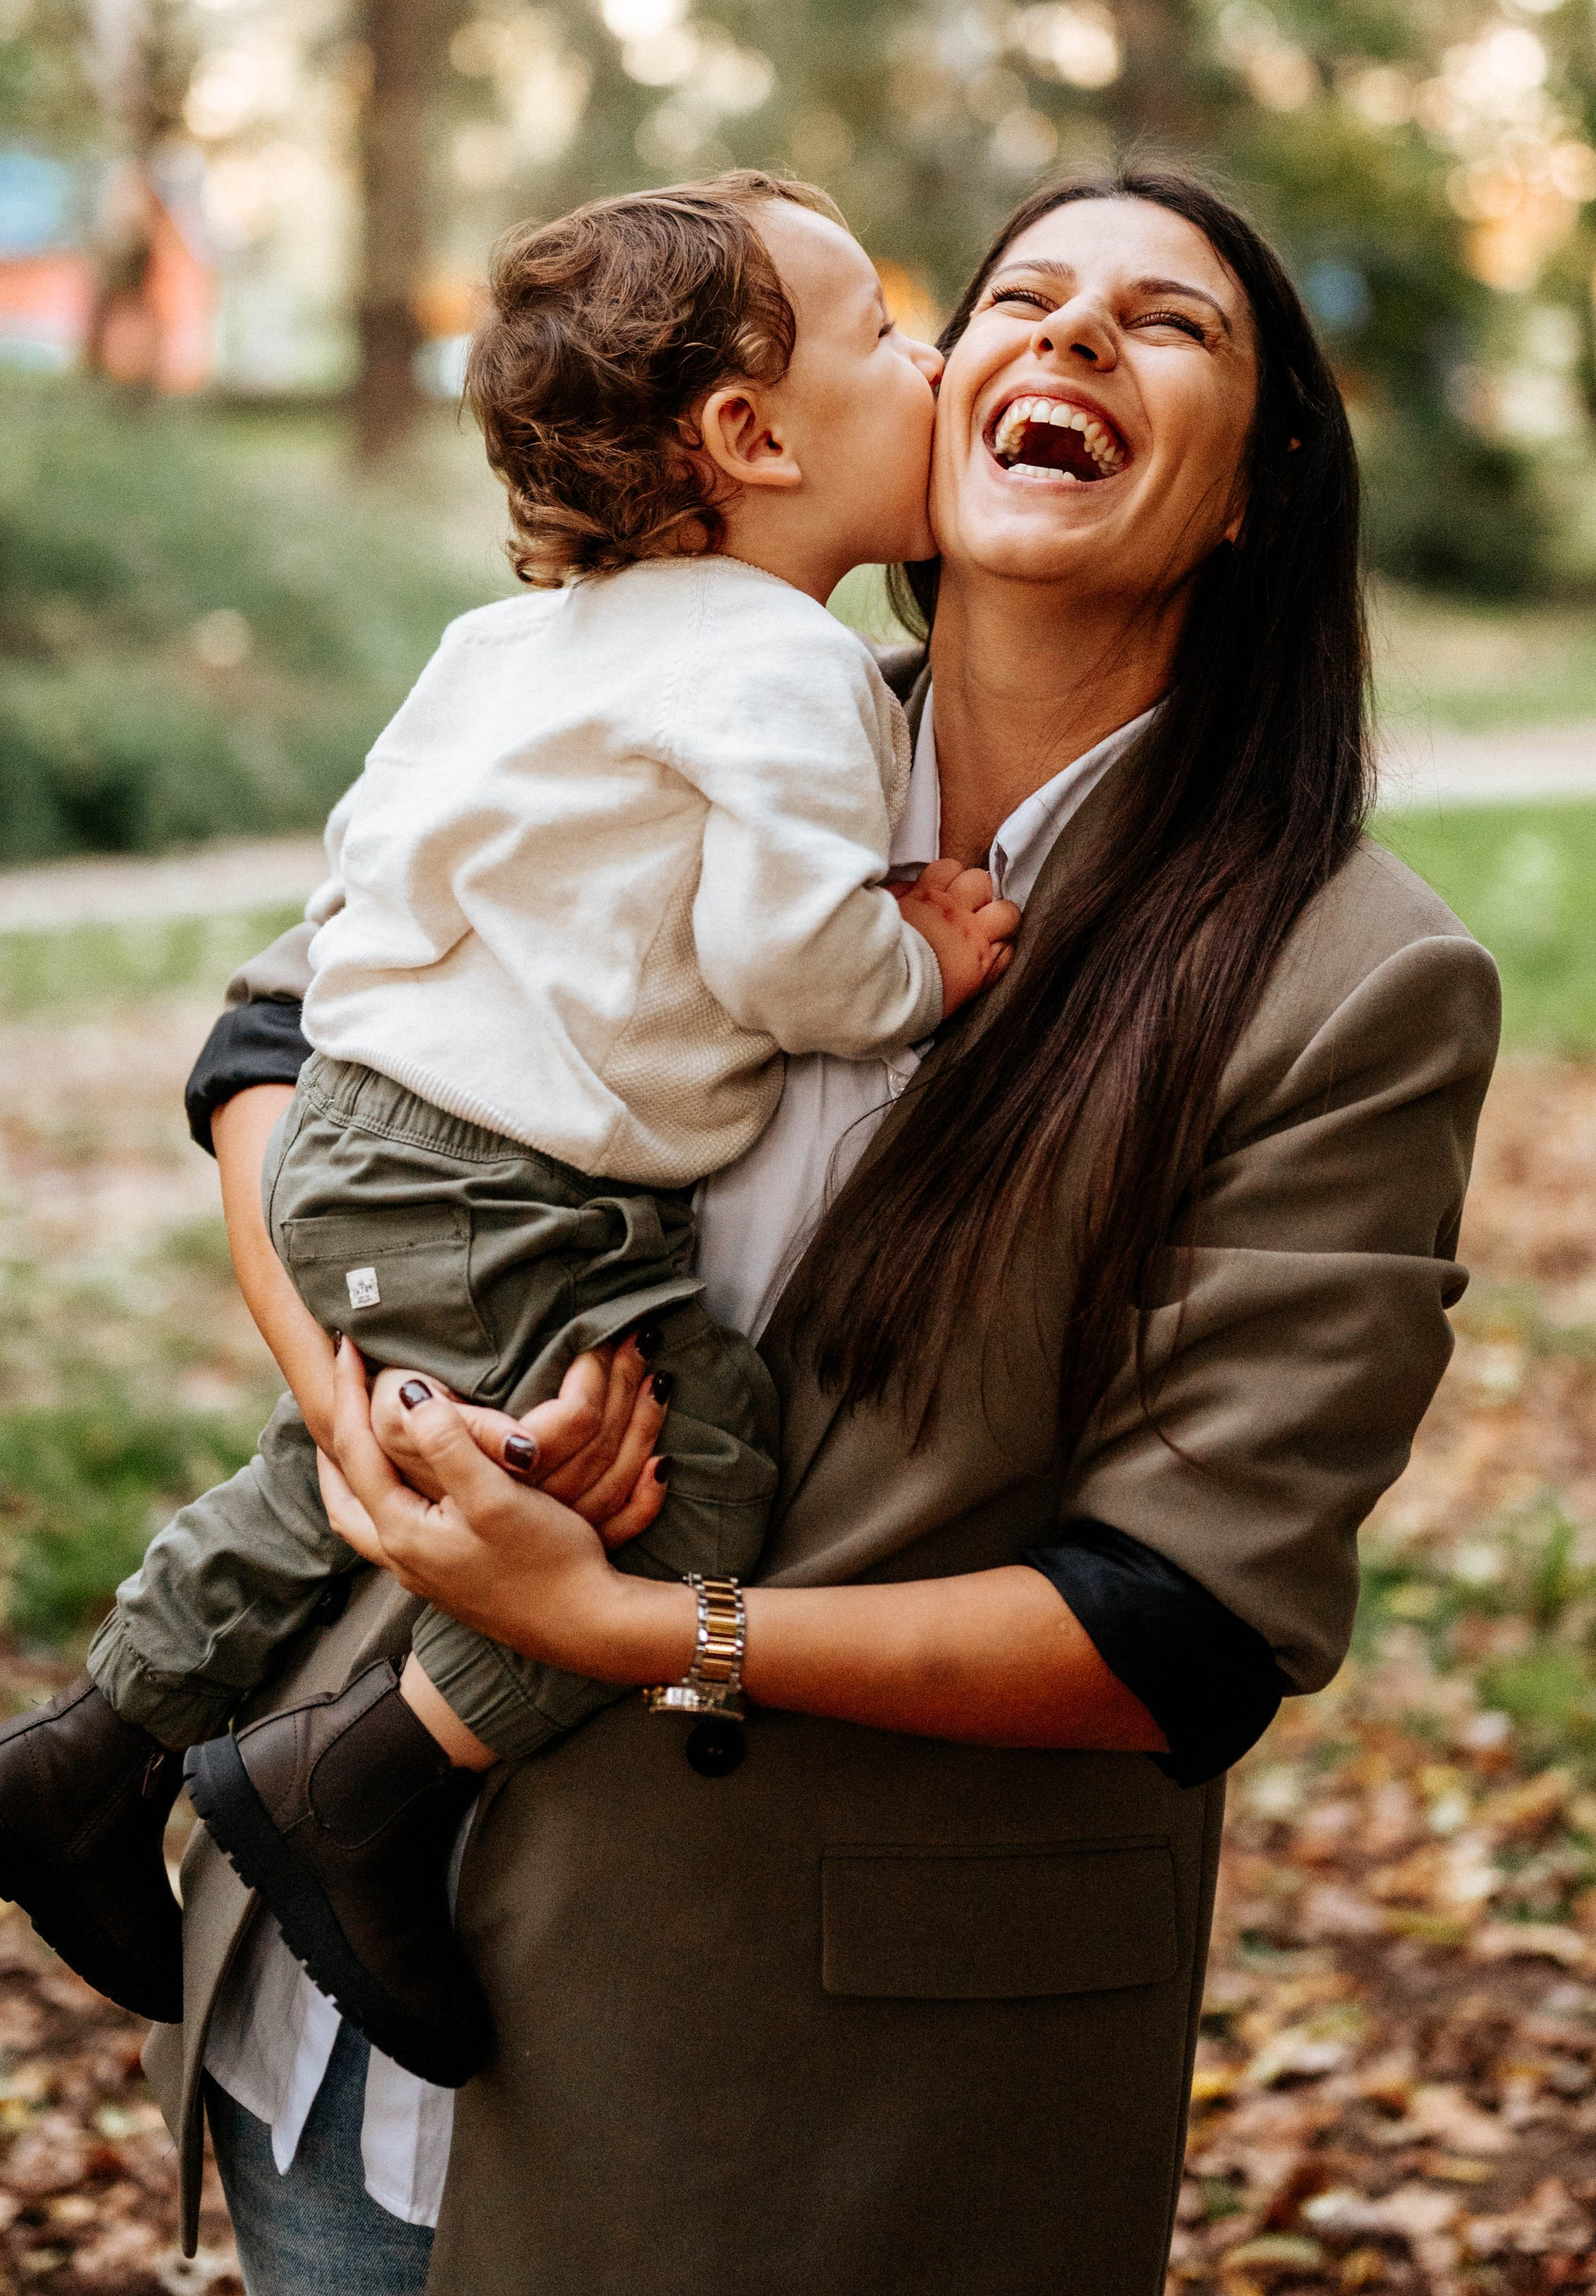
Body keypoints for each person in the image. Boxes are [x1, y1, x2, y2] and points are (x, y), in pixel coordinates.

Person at [153, 165, 1500, 2296]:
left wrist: (617, 1623)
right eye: (1019, 299)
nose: (1066, 337)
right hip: (335, 2035)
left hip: (803, 2112)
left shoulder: (1348, 975)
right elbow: (271, 1045)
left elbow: (1181, 1627)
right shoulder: (680, 698)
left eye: (1166, 326)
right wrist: (392, 1429)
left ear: (1259, 489)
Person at [0, 172, 1018, 2092]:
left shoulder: (508, 649)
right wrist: (914, 959)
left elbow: (359, 889)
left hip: (364, 1124)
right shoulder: (788, 668)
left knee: (308, 1475)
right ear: (752, 438)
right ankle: (371, 1780)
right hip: (502, 1173)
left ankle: (78, 1757)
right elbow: (783, 960)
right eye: (887, 334)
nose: (927, 360)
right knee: (704, 1467)